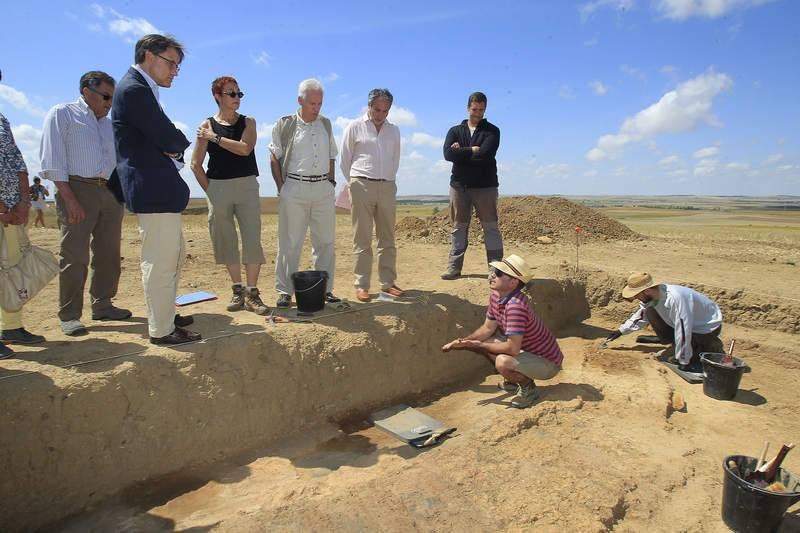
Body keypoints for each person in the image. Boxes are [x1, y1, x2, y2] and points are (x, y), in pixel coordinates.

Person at [112, 34, 200, 345]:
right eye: (171, 63)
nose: (175, 70)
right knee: (161, 261)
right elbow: (168, 137)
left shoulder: (141, 89)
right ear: (150, 56)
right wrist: (176, 144)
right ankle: (162, 330)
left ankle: (165, 316)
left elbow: (164, 139)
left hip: (157, 188)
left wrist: (170, 146)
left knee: (172, 257)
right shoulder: (135, 89)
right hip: (152, 189)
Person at [40, 70, 131, 336]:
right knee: (75, 255)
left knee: (109, 253)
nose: (109, 103)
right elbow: (52, 160)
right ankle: (69, 315)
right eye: (105, 96)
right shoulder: (63, 114)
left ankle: (103, 305)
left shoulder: (109, 124)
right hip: (77, 188)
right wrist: (69, 198)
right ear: (86, 91)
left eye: (112, 98)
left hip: (111, 191)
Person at [442, 254, 563, 408]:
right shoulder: (496, 296)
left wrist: (477, 345)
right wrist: (464, 341)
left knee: (502, 361)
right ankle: (514, 380)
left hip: (547, 362)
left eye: (499, 273)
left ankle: (528, 388)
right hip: (528, 352)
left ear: (513, 282)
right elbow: (487, 328)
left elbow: (512, 349)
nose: (492, 274)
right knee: (488, 341)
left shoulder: (515, 306)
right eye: (494, 270)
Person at [191, 76, 268, 315]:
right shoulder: (206, 124)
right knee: (226, 240)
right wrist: (211, 190)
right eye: (231, 93)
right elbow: (195, 164)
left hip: (246, 186)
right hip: (218, 188)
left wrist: (214, 138)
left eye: (238, 93)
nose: (237, 98)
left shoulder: (248, 122)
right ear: (217, 96)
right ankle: (238, 291)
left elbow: (245, 149)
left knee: (252, 238)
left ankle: (253, 293)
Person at [269, 78, 340, 308]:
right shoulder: (284, 124)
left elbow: (331, 155)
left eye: (320, 103)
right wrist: (282, 187)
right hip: (294, 188)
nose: (316, 108)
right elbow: (274, 156)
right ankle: (285, 291)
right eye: (312, 103)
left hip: (323, 190)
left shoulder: (326, 124)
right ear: (300, 100)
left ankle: (326, 289)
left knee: (326, 242)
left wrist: (330, 182)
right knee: (290, 243)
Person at [340, 88, 403, 303]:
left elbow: (395, 159)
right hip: (361, 184)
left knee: (387, 238)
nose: (380, 114)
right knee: (362, 238)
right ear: (369, 106)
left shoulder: (394, 130)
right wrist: (355, 183)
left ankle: (388, 283)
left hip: (387, 186)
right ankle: (362, 285)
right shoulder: (354, 126)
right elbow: (345, 159)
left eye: (385, 111)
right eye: (377, 109)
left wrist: (387, 178)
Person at [0, 68, 46, 358]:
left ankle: (12, 327)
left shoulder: (2, 121)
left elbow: (18, 163)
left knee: (13, 268)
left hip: (13, 211)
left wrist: (23, 203)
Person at [603, 272, 723, 372]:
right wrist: (621, 331)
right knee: (650, 311)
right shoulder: (652, 298)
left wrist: (683, 360)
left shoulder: (676, 298)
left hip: (706, 327)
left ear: (647, 290)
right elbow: (641, 316)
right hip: (682, 324)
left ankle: (711, 346)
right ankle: (678, 345)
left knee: (694, 359)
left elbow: (683, 329)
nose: (636, 298)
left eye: (636, 294)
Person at [441, 91, 502, 280]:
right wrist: (472, 150)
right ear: (468, 108)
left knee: (490, 227)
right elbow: (447, 155)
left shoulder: (492, 131)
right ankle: (454, 268)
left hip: (486, 187)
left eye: (481, 109)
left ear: (485, 109)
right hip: (459, 187)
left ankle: (495, 269)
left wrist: (461, 153)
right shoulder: (454, 131)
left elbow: (485, 156)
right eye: (475, 109)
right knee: (459, 227)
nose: (478, 113)